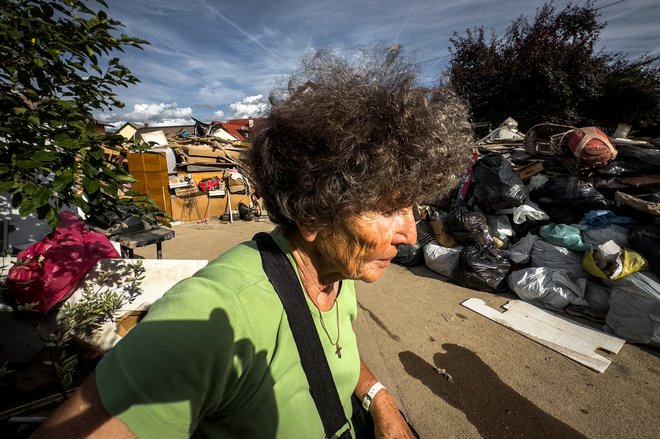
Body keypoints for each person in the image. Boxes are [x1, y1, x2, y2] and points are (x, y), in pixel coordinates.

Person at [33, 46, 472, 438]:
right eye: (387, 209)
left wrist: (381, 400)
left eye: (411, 207)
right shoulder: (214, 315)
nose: (411, 233)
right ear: (314, 211)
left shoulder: (338, 272)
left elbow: (334, 354)